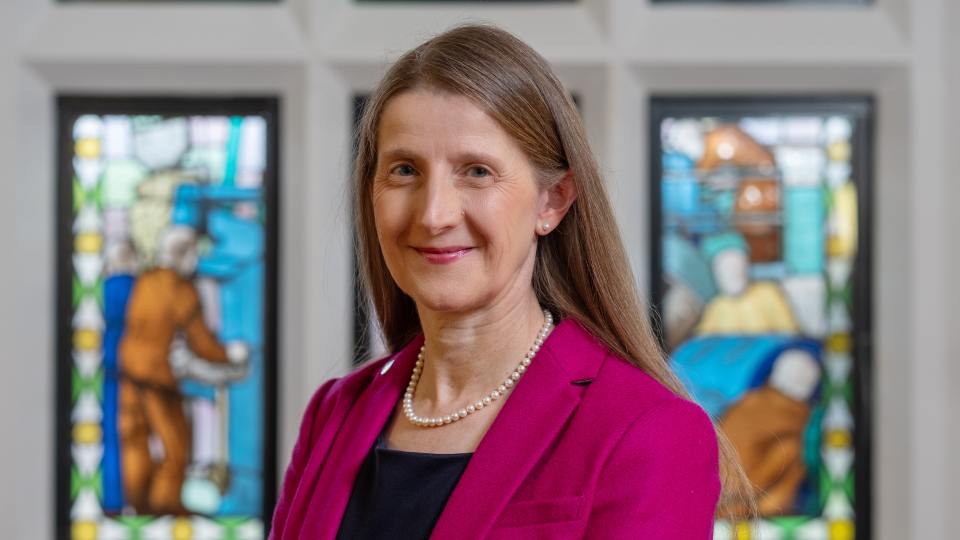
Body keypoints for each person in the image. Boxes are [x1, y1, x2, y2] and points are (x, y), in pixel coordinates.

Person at [271, 24, 750, 539]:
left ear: (553, 201)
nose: (434, 215)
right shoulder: (335, 413)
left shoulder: (645, 430)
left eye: (476, 171)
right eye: (405, 170)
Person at [117, 225, 248, 514]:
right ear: (184, 255)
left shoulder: (147, 281)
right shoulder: (179, 288)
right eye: (193, 254)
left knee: (134, 439)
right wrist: (231, 355)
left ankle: (136, 504)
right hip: (156, 378)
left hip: (128, 371)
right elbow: (203, 343)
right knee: (175, 447)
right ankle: (165, 508)